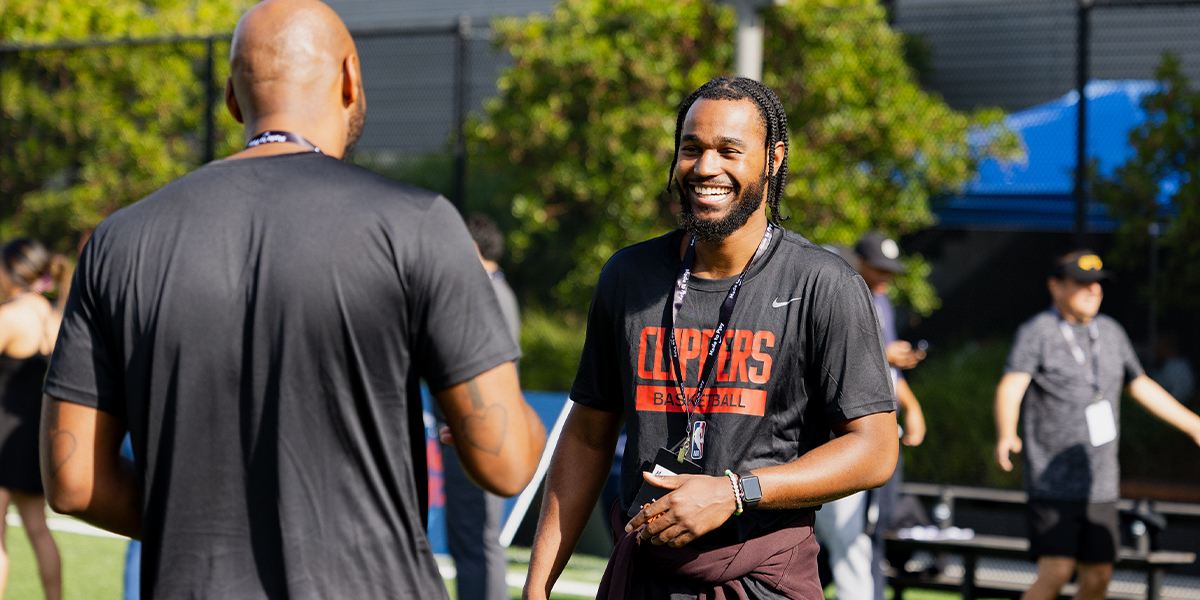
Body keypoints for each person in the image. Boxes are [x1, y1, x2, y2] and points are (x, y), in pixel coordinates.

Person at [38, 1, 545, 598]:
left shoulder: (119, 240)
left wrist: (210, 536)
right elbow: (506, 462)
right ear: (351, 79)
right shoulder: (418, 225)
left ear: (231, 98)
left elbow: (72, 481)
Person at [523, 77, 899, 600]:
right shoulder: (629, 277)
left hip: (762, 583)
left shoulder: (823, 284)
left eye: (729, 150)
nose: (705, 168)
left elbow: (875, 449)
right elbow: (588, 433)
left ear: (773, 158)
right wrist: (537, 586)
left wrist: (736, 493)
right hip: (644, 577)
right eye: (691, 149)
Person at [994, 249, 1200, 600]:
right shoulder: (1037, 332)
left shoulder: (1111, 332)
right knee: (1056, 571)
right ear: (1056, 286)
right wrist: (1006, 432)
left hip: (1100, 482)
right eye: (1083, 284)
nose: (1094, 291)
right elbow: (1012, 385)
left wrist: (1193, 423)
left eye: (1099, 285)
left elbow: (1140, 385)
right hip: (1052, 482)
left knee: (1100, 577)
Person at [813, 232, 927, 600]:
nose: (885, 277)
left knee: (866, 531)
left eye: (890, 270)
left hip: (879, 430)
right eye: (878, 268)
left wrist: (911, 406)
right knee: (845, 535)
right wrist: (884, 353)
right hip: (844, 433)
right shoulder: (842, 295)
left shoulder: (883, 303)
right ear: (857, 262)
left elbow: (888, 374)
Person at [439, 213, 521, 600]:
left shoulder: (485, 293)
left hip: (477, 433)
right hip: (480, 431)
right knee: (476, 538)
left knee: (475, 539)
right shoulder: (498, 290)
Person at [0, 239, 67, 600]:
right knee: (39, 529)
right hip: (34, 434)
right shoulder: (55, 317)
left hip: (1, 435)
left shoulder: (9, 316)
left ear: (11, 270)